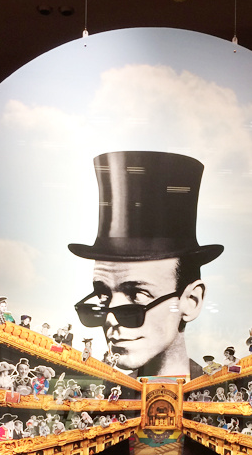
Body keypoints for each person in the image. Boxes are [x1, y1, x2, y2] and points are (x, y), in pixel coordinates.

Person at [69, 151, 223, 378]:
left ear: (191, 301)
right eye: (102, 296)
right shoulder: (111, 394)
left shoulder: (213, 392)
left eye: (137, 294)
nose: (110, 319)